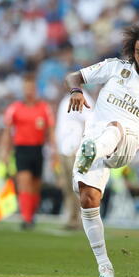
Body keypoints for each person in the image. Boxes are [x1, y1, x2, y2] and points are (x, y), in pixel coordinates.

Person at [65, 22, 139, 277]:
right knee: (88, 199)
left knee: (116, 127)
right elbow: (74, 77)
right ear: (133, 50)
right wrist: (76, 90)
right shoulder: (115, 68)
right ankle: (105, 267)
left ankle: (91, 151)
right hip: (94, 138)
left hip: (125, 145)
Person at [0, 73, 57, 230]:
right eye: (26, 89)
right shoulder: (15, 108)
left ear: (35, 89)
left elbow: (50, 131)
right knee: (24, 182)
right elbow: (7, 131)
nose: (28, 92)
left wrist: (54, 151)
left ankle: (31, 214)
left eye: (31, 88)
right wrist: (4, 152)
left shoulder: (44, 108)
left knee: (35, 186)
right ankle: (26, 218)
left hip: (38, 149)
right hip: (21, 150)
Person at [55, 90, 94, 230]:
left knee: (76, 187)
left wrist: (80, 146)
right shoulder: (65, 100)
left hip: (75, 150)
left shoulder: (84, 99)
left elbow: (89, 122)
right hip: (63, 150)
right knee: (67, 186)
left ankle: (79, 219)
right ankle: (71, 217)